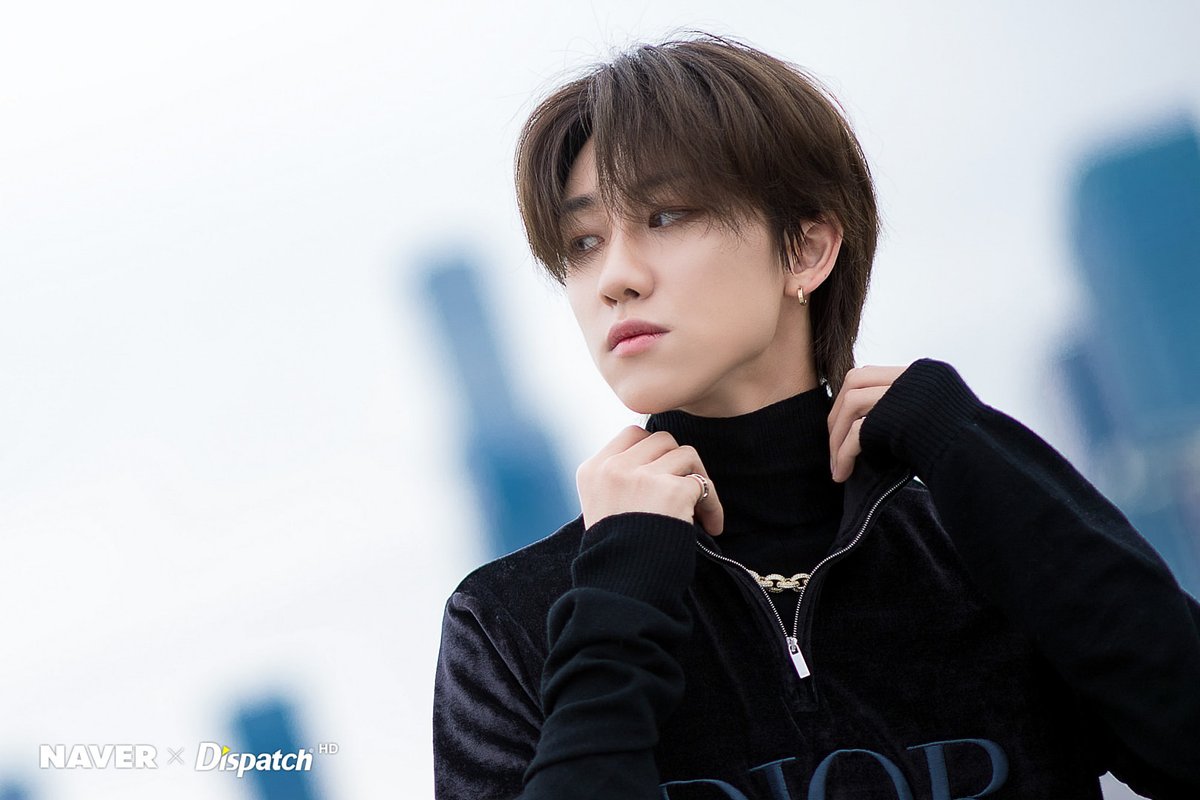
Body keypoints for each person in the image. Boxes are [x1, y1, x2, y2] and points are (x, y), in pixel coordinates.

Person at [433, 34, 1200, 800]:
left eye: (664, 216)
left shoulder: (974, 545)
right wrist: (620, 595)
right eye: (583, 242)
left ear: (806, 249)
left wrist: (973, 448)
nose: (615, 278)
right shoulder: (510, 620)